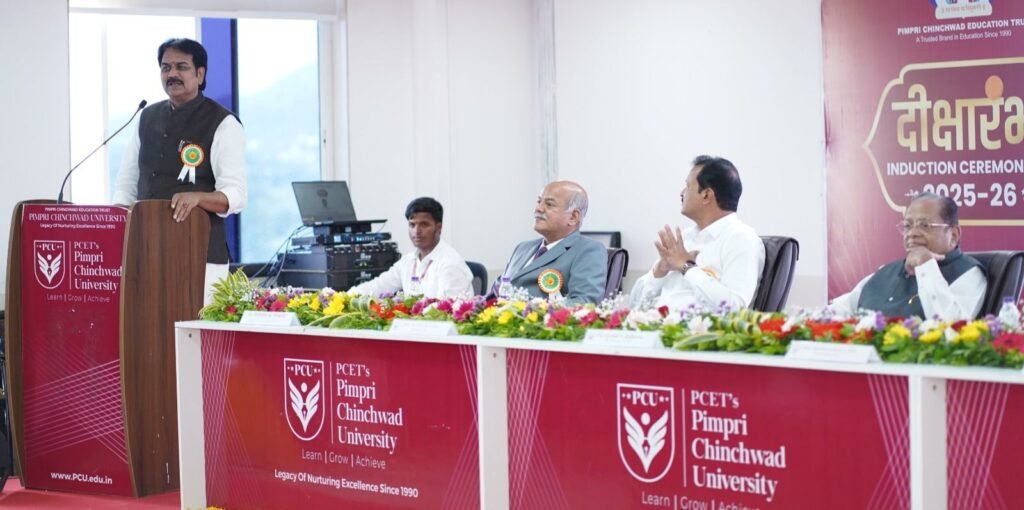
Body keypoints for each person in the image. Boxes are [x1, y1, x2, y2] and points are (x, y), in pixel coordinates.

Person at [112, 38, 247, 303]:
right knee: (145, 326)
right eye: (166, 67)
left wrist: (198, 197)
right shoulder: (146, 117)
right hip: (145, 252)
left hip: (200, 254)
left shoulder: (223, 123)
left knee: (195, 327)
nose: (172, 74)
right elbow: (126, 185)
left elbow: (237, 195)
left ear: (200, 74)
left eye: (181, 67)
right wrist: (115, 222)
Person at [630, 155, 764, 311]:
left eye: (688, 187)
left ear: (706, 195)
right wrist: (660, 270)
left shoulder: (741, 238)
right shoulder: (685, 238)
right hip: (654, 323)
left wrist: (686, 267)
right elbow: (634, 305)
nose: (681, 193)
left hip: (692, 326)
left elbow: (734, 307)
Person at [830, 193, 985, 320]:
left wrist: (926, 266)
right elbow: (834, 312)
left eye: (924, 225)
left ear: (954, 235)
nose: (912, 233)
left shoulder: (969, 273)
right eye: (907, 226)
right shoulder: (885, 271)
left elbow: (951, 327)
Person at [494, 181, 606, 304]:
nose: (538, 208)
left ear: (573, 217)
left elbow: (584, 302)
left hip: (536, 316)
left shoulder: (588, 250)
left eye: (549, 204)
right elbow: (497, 291)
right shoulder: (522, 248)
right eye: (539, 201)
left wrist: (530, 310)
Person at [348, 197, 474, 298]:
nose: (416, 231)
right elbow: (378, 286)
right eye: (412, 225)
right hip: (412, 322)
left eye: (424, 225)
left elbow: (447, 310)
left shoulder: (450, 264)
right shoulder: (408, 261)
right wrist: (345, 298)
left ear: (439, 227)